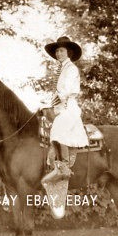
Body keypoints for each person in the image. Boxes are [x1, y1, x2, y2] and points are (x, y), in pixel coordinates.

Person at [41, 36, 89, 183]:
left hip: (69, 106)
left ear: (68, 52)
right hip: (61, 106)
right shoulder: (62, 69)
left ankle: (64, 168)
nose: (58, 54)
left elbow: (67, 91)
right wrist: (46, 104)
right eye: (57, 51)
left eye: (61, 51)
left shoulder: (71, 69)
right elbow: (57, 93)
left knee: (58, 131)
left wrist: (54, 101)